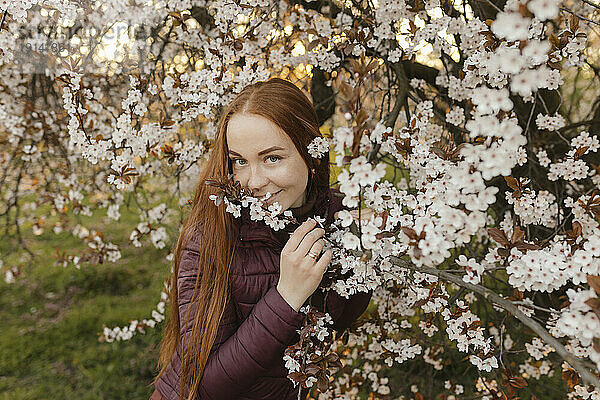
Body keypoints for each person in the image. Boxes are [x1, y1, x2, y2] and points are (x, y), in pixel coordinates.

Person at [150, 78, 372, 400]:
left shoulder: (342, 214)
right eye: (239, 161)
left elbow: (340, 318)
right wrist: (286, 297)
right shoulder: (210, 235)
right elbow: (206, 384)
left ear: (312, 155)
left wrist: (364, 253)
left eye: (271, 158)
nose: (252, 182)